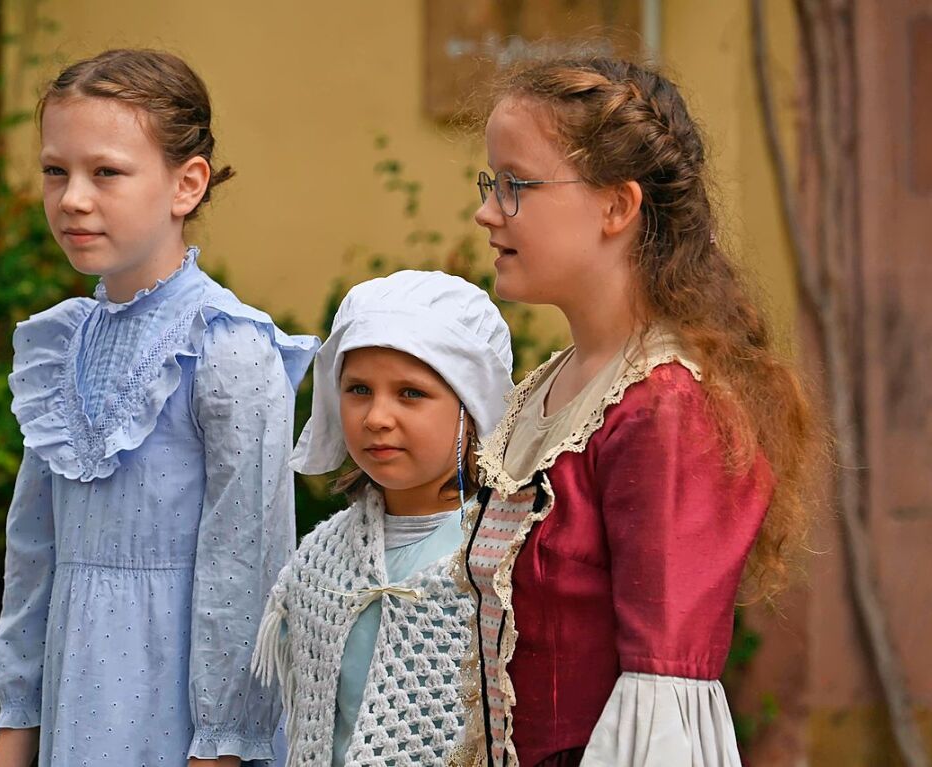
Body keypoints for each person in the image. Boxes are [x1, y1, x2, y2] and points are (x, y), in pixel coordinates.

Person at [453, 55, 817, 766]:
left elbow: (660, 693)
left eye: (514, 185)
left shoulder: (667, 410)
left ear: (617, 206)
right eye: (489, 183)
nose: (486, 209)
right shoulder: (555, 389)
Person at [0, 49, 318, 767]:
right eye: (55, 170)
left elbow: (249, 565)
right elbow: (33, 550)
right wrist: (16, 721)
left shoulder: (226, 348)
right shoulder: (63, 344)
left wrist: (223, 744)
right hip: (75, 698)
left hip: (180, 714)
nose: (72, 196)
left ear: (186, 183)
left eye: (105, 171)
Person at [252, 270, 514, 766]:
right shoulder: (321, 561)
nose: (376, 417)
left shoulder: (500, 554)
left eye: (411, 393)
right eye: (358, 390)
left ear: (471, 408)